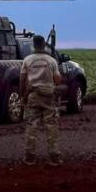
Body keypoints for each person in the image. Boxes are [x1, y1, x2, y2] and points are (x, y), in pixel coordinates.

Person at [20, 34, 62, 165]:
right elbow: (58, 80)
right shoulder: (51, 60)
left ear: (33, 45)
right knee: (51, 126)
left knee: (31, 125)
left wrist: (23, 96)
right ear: (44, 45)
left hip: (33, 95)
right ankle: (54, 156)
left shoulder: (27, 60)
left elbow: (22, 79)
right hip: (49, 96)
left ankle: (30, 157)